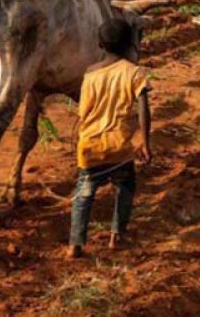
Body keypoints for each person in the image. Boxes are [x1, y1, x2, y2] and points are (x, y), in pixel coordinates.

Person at [68, 16, 152, 258]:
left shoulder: (90, 73)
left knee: (84, 194)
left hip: (90, 145)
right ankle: (117, 237)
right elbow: (145, 107)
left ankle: (75, 244)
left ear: (100, 45)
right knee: (125, 187)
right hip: (120, 147)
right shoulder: (136, 73)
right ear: (130, 44)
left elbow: (83, 111)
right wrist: (145, 142)